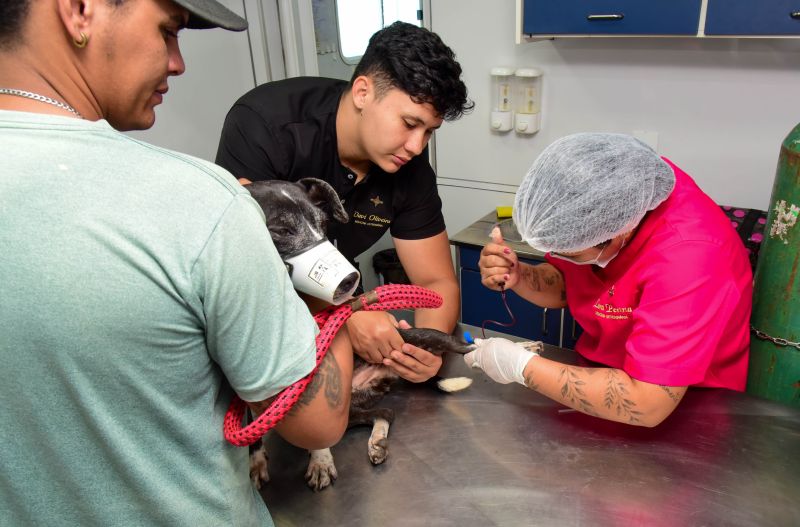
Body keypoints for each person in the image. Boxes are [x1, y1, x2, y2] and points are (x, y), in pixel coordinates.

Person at [0, 1, 352, 525]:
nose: (178, 61)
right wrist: (331, 303)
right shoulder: (203, 203)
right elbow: (318, 423)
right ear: (79, 10)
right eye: (168, 31)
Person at [215, 21, 473, 384]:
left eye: (429, 131)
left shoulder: (412, 171)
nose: (417, 147)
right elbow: (240, 265)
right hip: (264, 306)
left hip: (339, 297)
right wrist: (346, 316)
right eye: (409, 123)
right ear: (363, 92)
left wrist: (426, 348)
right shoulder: (267, 125)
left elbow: (436, 282)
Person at [466, 133, 752, 427]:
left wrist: (519, 366)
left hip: (686, 411)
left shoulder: (691, 258)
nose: (562, 258)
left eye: (572, 254)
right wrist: (521, 275)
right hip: (600, 382)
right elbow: (571, 284)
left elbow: (647, 403)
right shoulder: (615, 190)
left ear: (620, 232)